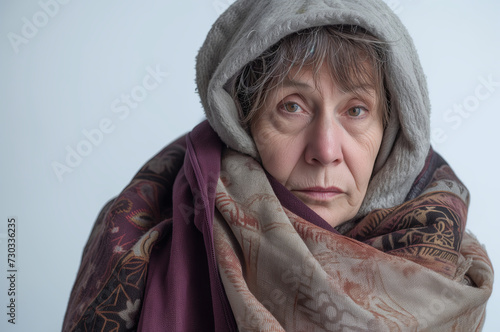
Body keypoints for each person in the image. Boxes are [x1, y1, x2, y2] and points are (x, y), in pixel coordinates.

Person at [63, 0, 493, 331]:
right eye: (292, 106)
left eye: (356, 110)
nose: (325, 150)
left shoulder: (447, 265)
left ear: (392, 129)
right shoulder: (141, 234)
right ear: (242, 122)